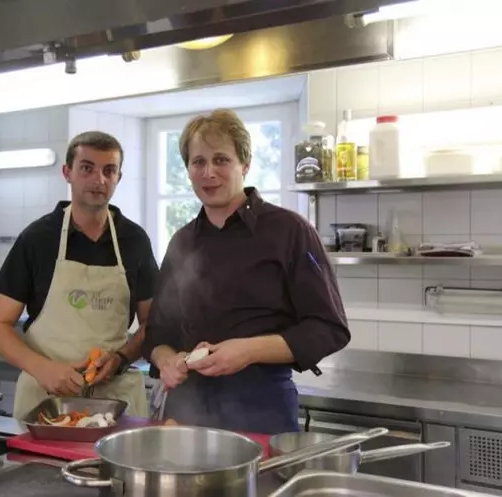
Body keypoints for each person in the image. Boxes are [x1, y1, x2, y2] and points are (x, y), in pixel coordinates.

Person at [142, 109, 350, 434]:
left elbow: (328, 328)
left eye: (221, 160)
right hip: (186, 412)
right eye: (198, 162)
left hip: (260, 410)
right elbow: (157, 333)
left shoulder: (289, 231)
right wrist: (166, 360)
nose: (209, 172)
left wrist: (247, 350)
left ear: (245, 164)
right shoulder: (182, 241)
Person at [0, 131, 159, 419]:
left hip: (115, 402)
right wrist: (42, 368)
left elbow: (152, 324)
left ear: (119, 177)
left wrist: (120, 358)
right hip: (46, 401)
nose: (99, 179)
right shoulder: (37, 239)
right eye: (87, 168)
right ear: (67, 173)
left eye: (109, 170)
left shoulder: (135, 240)